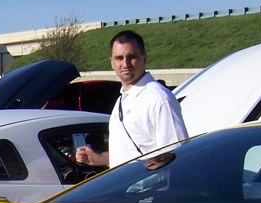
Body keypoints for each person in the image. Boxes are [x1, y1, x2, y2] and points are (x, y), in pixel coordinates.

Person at [76, 30, 188, 168]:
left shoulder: (159, 99)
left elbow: (176, 155)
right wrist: (98, 158)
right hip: (126, 181)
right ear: (111, 62)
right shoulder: (122, 100)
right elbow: (129, 154)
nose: (125, 64)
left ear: (144, 59)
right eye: (119, 58)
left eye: (131, 57)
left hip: (152, 182)